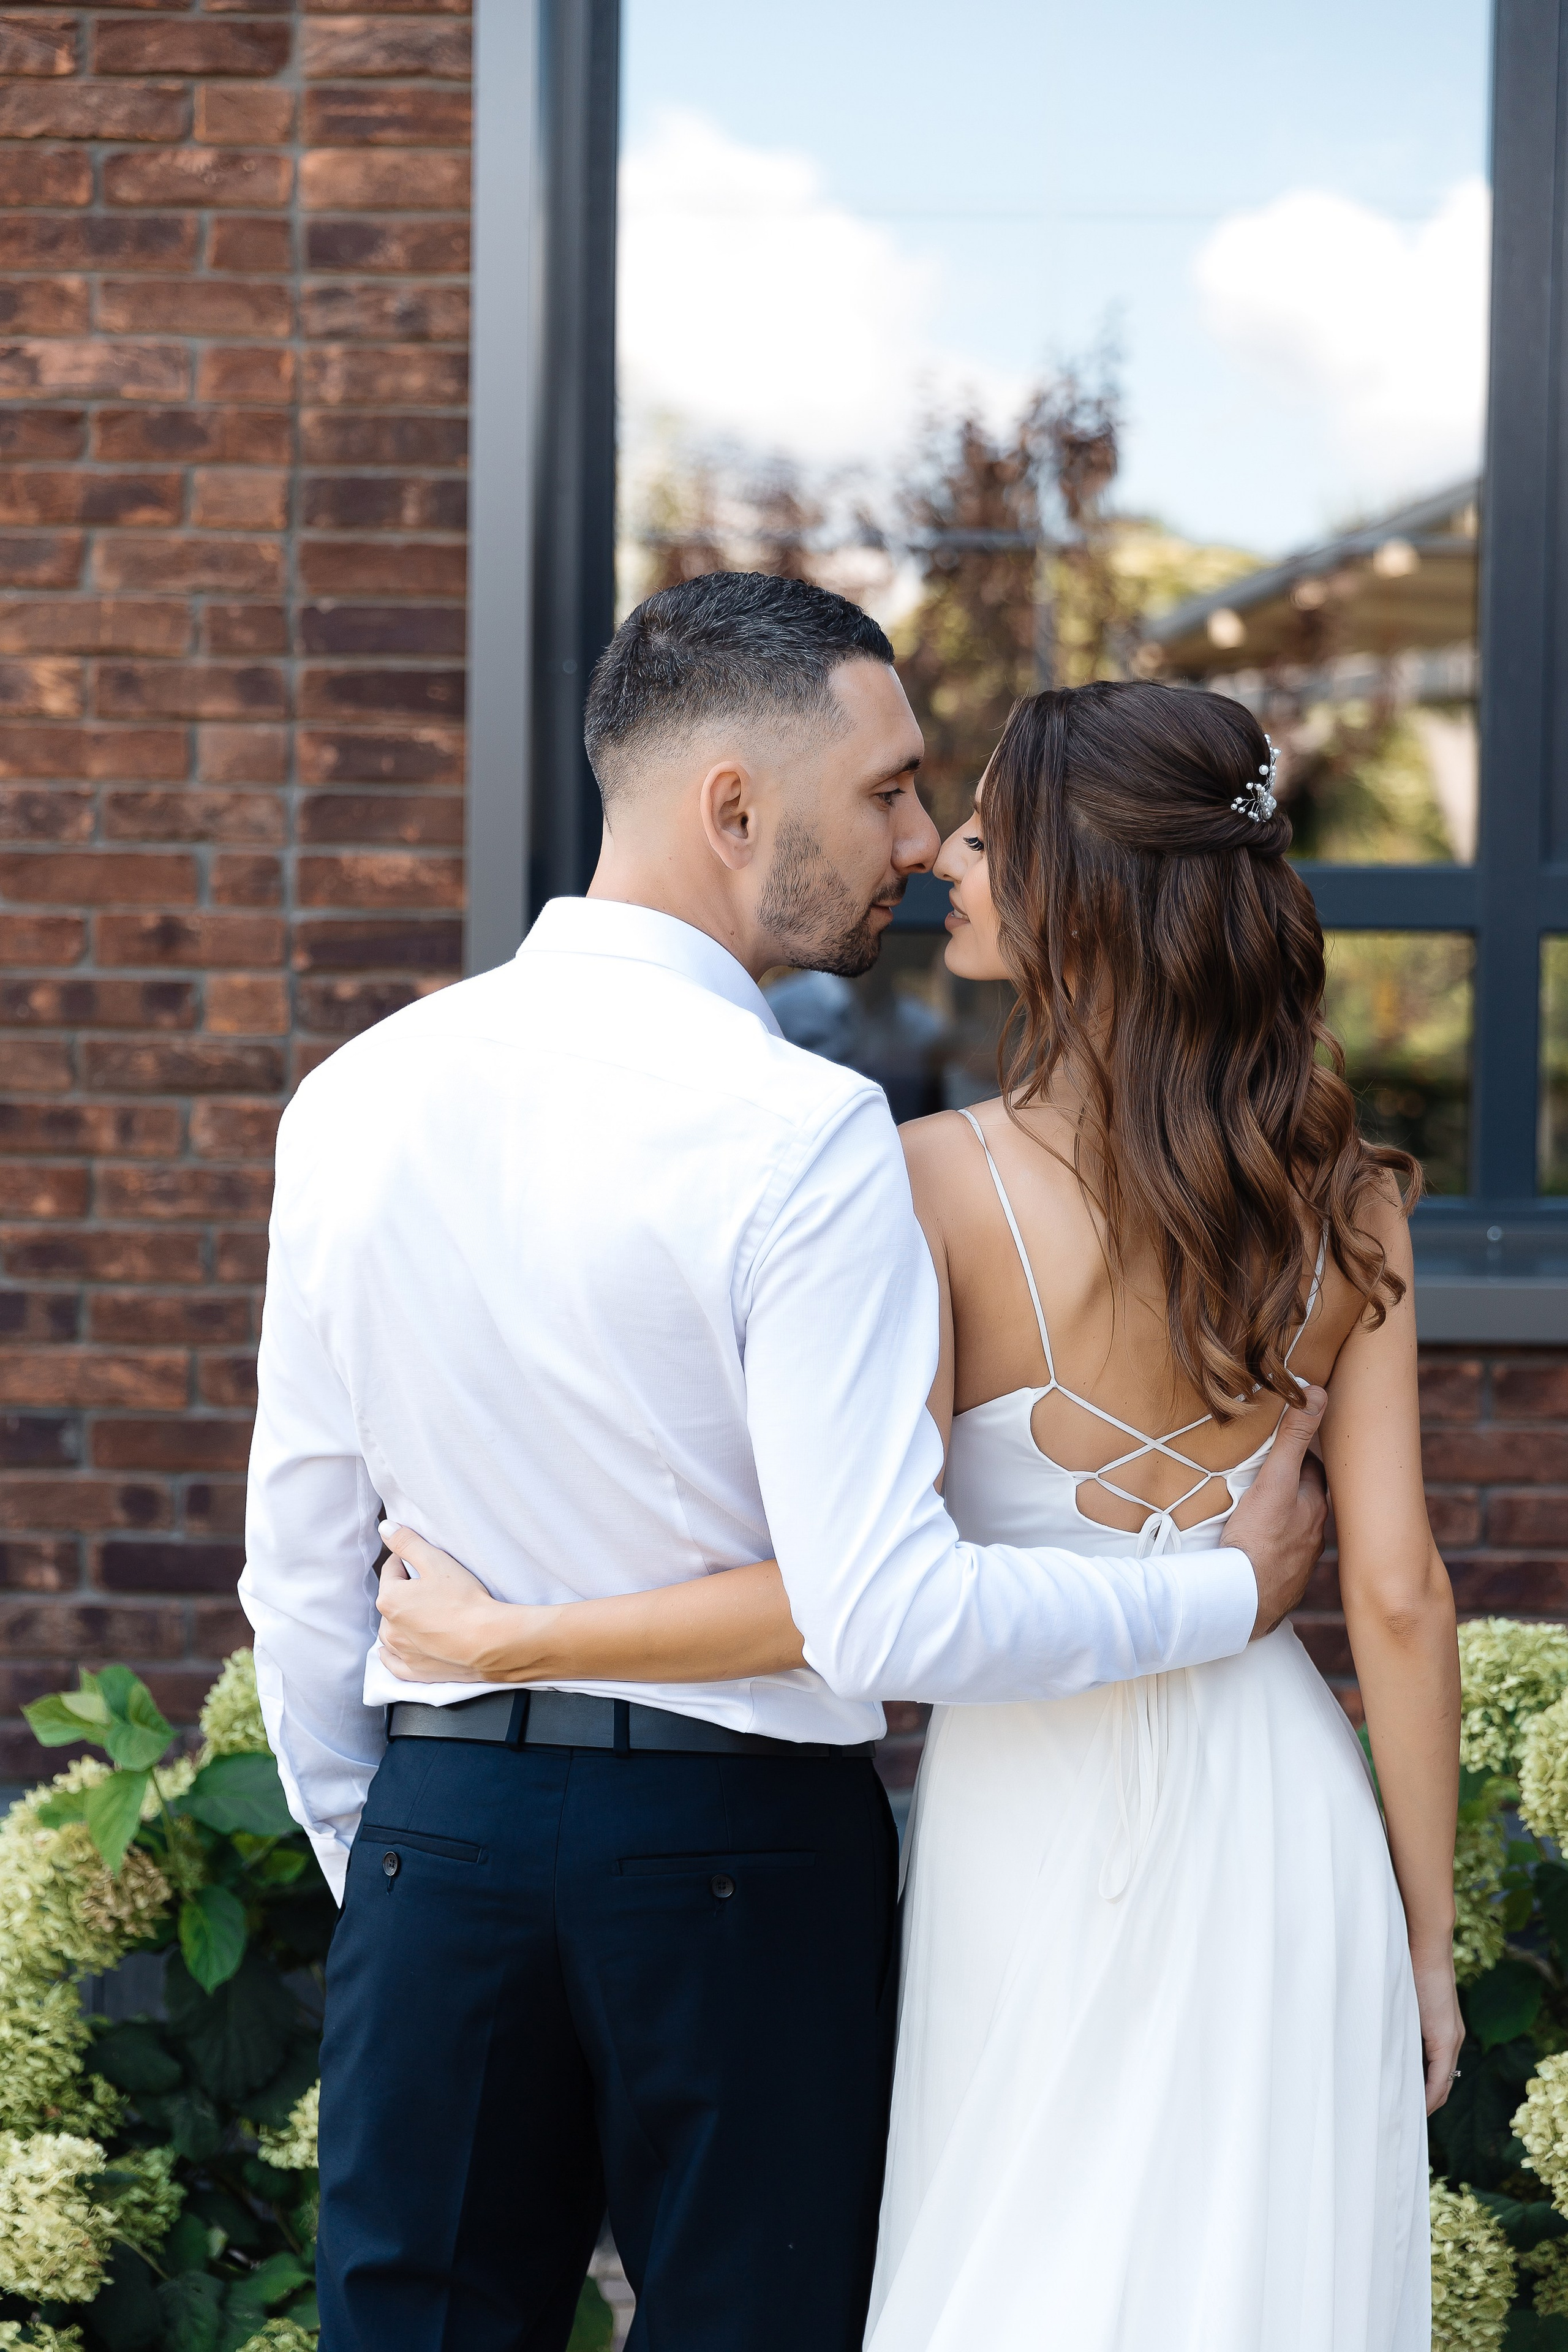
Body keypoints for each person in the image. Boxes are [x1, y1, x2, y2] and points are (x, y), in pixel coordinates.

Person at [241, 580, 1329, 2352]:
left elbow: (299, 1562)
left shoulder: (357, 1094)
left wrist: (396, 1855)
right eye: (890, 790)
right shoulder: (805, 1132)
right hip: (739, 1859)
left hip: (440, 1840)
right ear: (734, 807)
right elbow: (882, 1608)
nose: (919, 840)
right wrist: (1227, 1592)